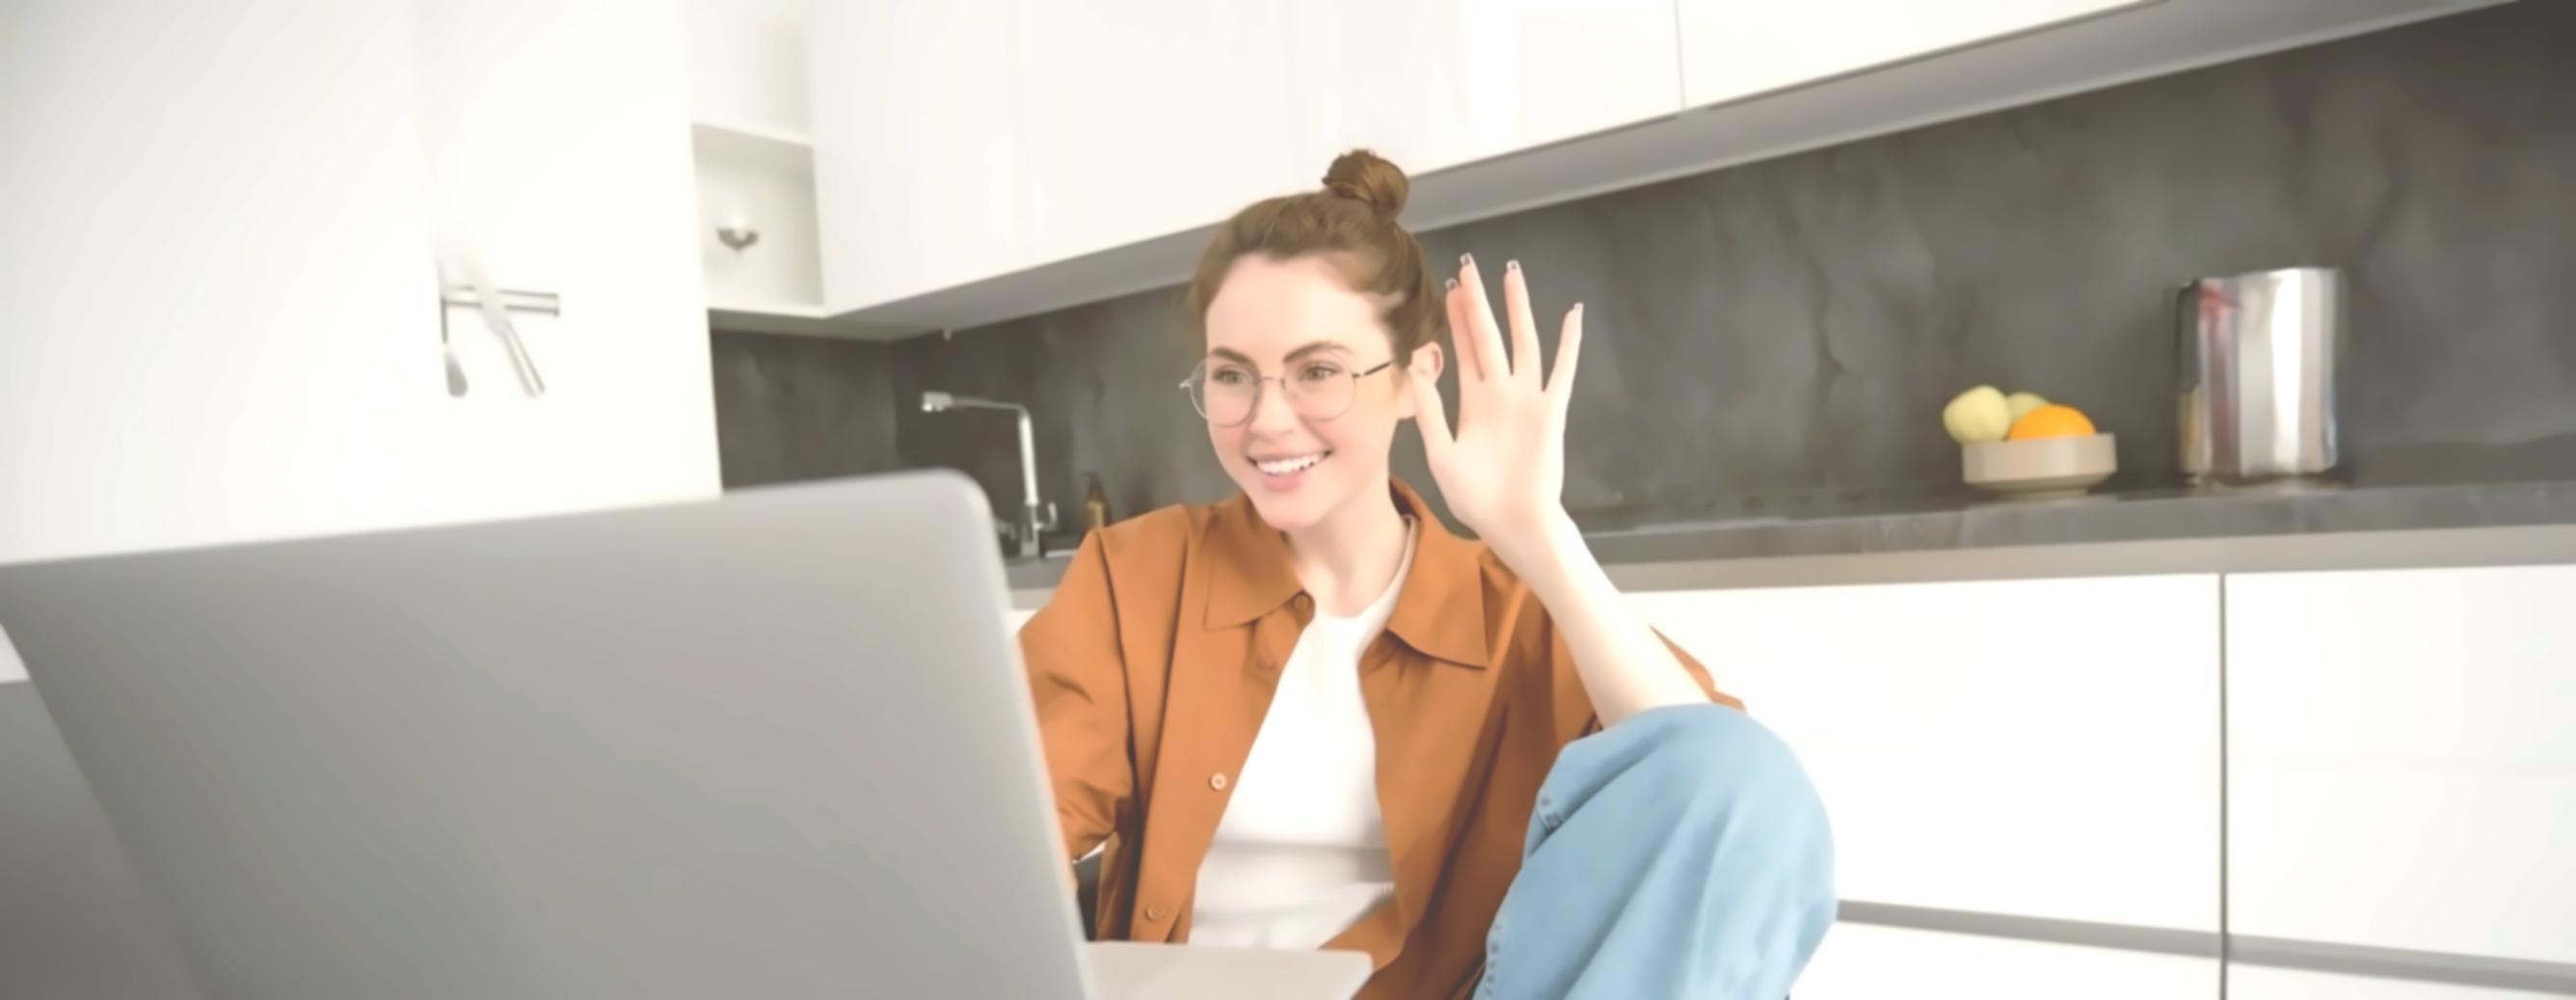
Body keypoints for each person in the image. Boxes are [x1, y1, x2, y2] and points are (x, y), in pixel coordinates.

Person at [1017, 149, 1835, 1000]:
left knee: (1750, 775)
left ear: (1416, 378)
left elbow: (1718, 810)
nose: (1266, 419)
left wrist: (1540, 535)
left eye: (1318, 371)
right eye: (1232, 375)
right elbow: (1006, 822)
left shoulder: (1513, 610)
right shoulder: (1137, 575)